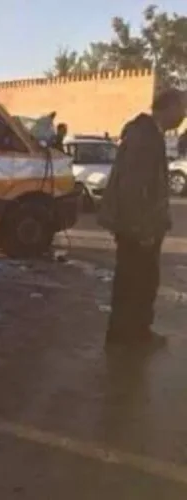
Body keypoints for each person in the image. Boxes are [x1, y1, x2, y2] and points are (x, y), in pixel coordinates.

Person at [98, 88, 186, 348]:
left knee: (134, 282)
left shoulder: (147, 133)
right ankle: (132, 337)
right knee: (137, 283)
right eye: (181, 109)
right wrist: (142, 227)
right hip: (138, 228)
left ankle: (128, 335)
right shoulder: (144, 136)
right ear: (168, 107)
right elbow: (134, 187)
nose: (182, 116)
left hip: (139, 226)